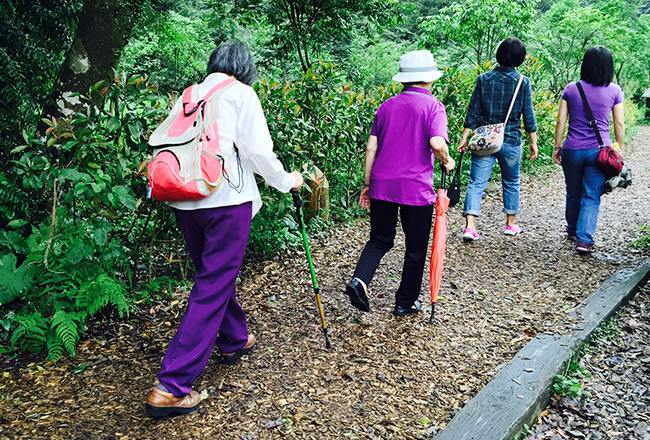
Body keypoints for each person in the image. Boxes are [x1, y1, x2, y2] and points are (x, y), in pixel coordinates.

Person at [145, 41, 303, 418]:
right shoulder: (240, 94)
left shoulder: (191, 94)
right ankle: (172, 386)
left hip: (185, 200)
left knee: (212, 277)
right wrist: (288, 180)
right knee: (213, 283)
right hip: (226, 203)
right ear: (245, 68)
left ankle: (233, 339)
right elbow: (257, 152)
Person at [345, 50, 455, 317]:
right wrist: (447, 160)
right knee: (415, 248)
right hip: (416, 189)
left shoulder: (387, 106)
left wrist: (368, 182)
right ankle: (404, 303)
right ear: (429, 79)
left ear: (404, 80)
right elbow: (437, 142)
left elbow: (372, 147)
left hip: (382, 183)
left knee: (380, 239)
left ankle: (359, 280)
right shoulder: (433, 106)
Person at [457, 37, 538, 241]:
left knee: (476, 182)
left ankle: (470, 227)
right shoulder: (523, 82)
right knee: (511, 181)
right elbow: (528, 115)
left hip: (485, 140)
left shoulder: (484, 79)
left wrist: (465, 137)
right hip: (510, 139)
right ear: (520, 58)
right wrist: (533, 142)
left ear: (499, 55)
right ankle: (510, 225)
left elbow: (473, 111)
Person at [552, 46, 624, 254]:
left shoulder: (571, 88)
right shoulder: (615, 90)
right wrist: (618, 147)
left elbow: (560, 121)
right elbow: (619, 124)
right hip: (599, 151)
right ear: (608, 68)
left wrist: (558, 146)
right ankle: (584, 240)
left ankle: (572, 230)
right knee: (591, 195)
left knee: (573, 192)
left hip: (572, 149)